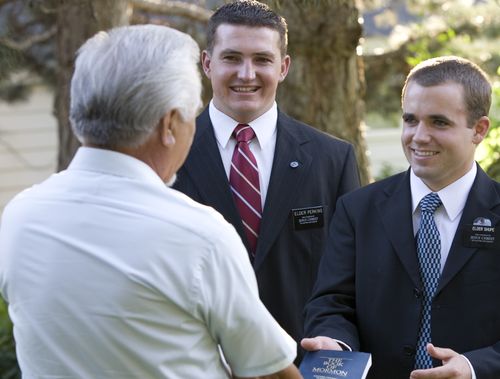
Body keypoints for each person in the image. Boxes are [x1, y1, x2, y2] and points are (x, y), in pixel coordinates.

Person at [0, 24, 303, 379]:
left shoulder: (20, 216)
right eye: (193, 113)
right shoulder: (200, 235)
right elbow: (269, 373)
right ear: (169, 124)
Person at [173, 0, 360, 361]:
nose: (247, 74)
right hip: (199, 363)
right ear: (207, 63)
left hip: (304, 360)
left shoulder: (332, 159)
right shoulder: (168, 156)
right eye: (231, 58)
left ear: (283, 67)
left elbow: (350, 280)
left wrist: (336, 342)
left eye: (262, 59)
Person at [302, 55, 500, 379]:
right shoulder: (357, 210)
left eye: (439, 122)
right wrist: (335, 344)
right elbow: (332, 303)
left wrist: (474, 366)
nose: (419, 136)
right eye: (410, 120)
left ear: (479, 129)